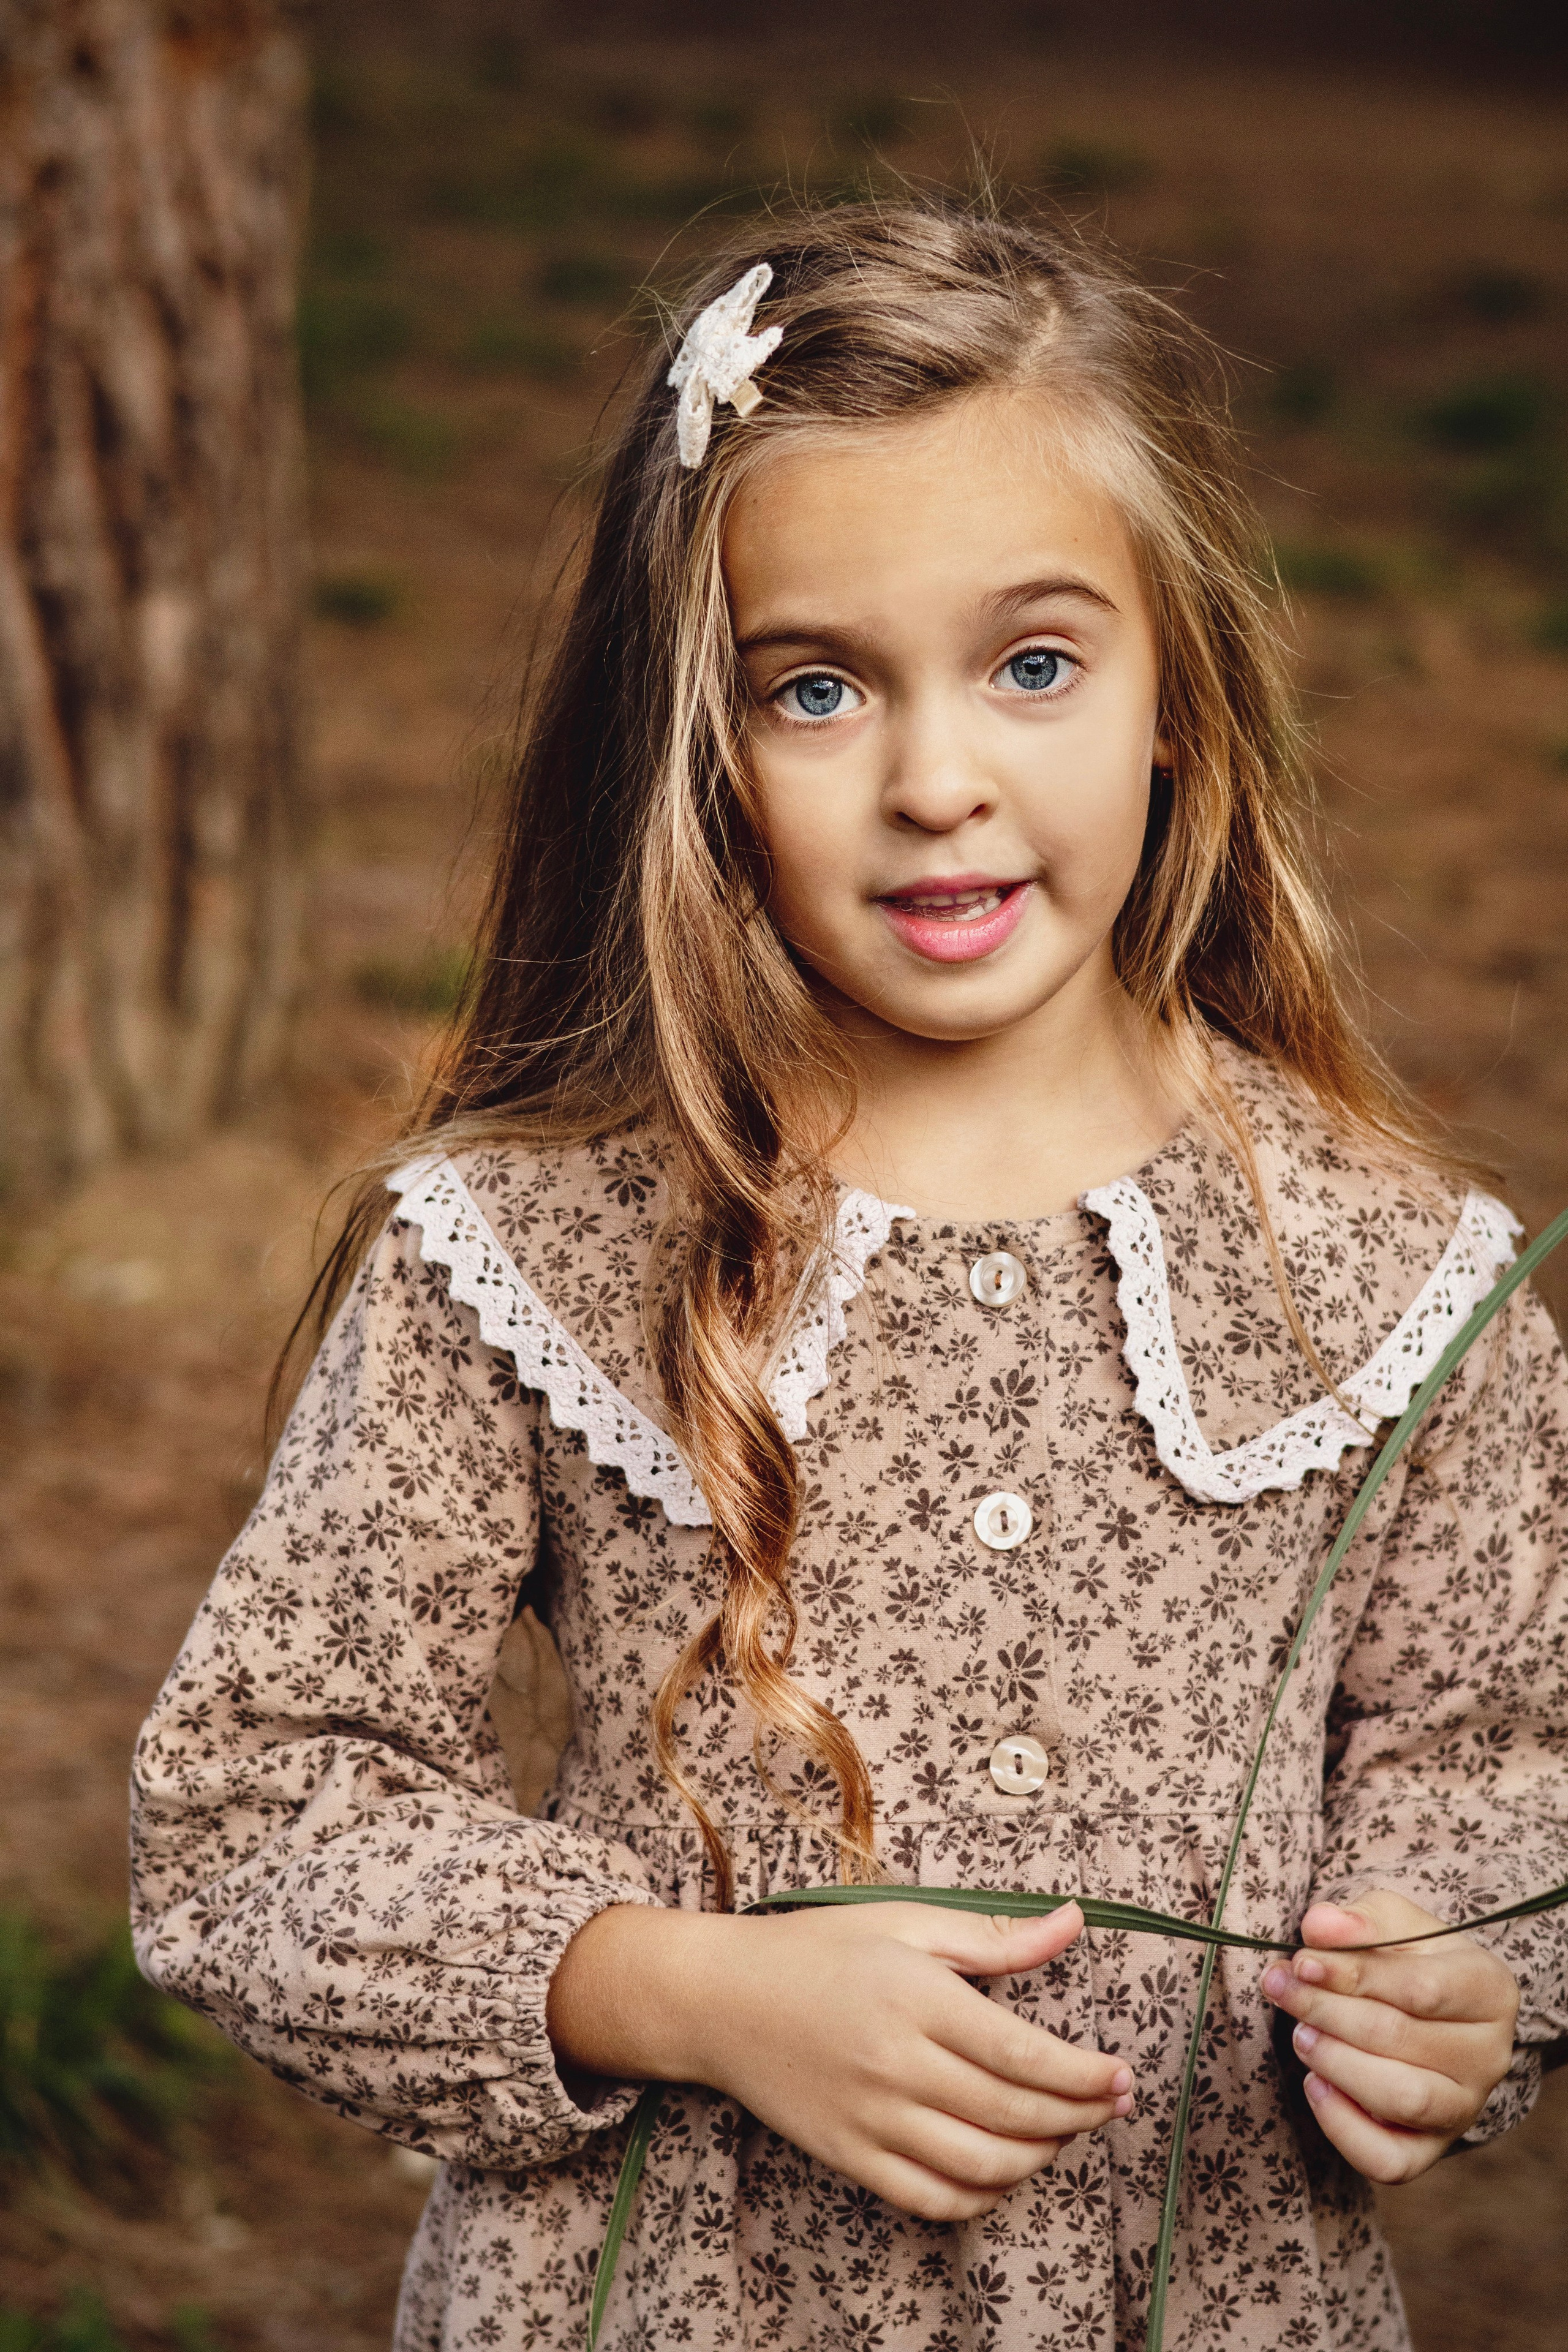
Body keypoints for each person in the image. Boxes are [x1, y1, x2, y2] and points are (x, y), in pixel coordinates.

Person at [130, 204, 1568, 2352]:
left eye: (1035, 662)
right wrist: (680, 1993)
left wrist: (1463, 1985)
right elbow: (249, 1815)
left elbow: (1513, 1759)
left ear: (1179, 692)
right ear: (703, 749)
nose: (937, 781)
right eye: (817, 687)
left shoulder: (1387, 1285)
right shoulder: (527, 1250)